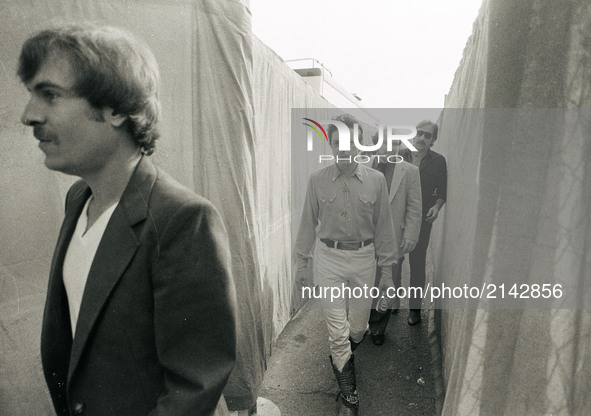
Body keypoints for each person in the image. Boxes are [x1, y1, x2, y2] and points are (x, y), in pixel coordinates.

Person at [18, 24, 237, 416]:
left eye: (50, 95)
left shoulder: (183, 220)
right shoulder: (79, 199)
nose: (29, 115)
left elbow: (194, 385)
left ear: (116, 108)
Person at [295, 114, 397, 415]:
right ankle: (349, 394)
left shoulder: (376, 182)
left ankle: (343, 358)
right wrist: (302, 264)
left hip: (364, 258)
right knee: (337, 332)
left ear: (360, 144)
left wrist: (388, 274)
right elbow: (306, 225)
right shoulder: (317, 180)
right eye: (337, 142)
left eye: (349, 142)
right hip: (329, 259)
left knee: (358, 328)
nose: (343, 149)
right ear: (330, 144)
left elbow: (385, 230)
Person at [368, 128, 422, 344]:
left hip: (393, 237)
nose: (389, 148)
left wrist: (411, 234)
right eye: (383, 143)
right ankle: (361, 322)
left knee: (388, 280)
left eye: (393, 144)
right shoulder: (364, 166)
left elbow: (415, 206)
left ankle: (378, 328)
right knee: (363, 281)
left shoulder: (409, 171)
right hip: (365, 238)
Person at [400, 120, 447, 325]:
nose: (422, 138)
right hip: (397, 218)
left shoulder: (438, 161)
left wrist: (436, 207)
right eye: (419, 133)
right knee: (392, 262)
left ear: (433, 140)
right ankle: (389, 303)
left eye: (427, 135)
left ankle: (414, 310)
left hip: (422, 220)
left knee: (417, 265)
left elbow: (441, 190)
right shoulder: (400, 155)